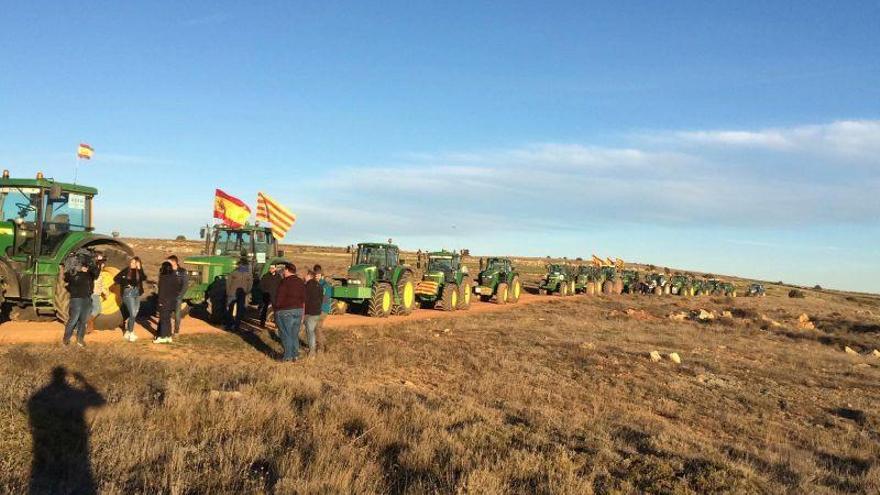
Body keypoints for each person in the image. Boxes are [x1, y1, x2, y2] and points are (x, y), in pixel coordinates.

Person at [273, 262, 305, 362]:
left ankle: (287, 357)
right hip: (298, 311)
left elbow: (279, 297)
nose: (283, 272)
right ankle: (295, 355)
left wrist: (276, 307)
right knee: (294, 334)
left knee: (286, 334)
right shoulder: (300, 282)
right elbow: (304, 297)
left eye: (284, 270)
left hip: (285, 311)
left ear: (287, 270)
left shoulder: (284, 282)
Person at [62, 262, 97, 347]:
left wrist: (97, 262)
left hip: (87, 299)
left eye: (87, 266)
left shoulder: (90, 275)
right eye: (83, 266)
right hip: (77, 299)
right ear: (79, 267)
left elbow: (96, 272)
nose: (85, 268)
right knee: (74, 319)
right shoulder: (74, 274)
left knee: (83, 321)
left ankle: (80, 340)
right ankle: (66, 339)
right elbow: (66, 278)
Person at [114, 257, 146, 342]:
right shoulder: (126, 270)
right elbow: (116, 279)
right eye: (131, 262)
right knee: (132, 313)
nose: (132, 264)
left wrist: (140, 269)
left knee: (135, 312)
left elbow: (144, 278)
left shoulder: (138, 272)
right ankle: (131, 333)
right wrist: (125, 283)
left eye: (134, 263)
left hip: (136, 293)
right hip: (128, 293)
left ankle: (128, 331)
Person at [155, 261, 182, 344]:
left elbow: (161, 291)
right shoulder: (175, 277)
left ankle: (162, 337)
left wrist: (160, 302)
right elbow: (178, 289)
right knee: (168, 320)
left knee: (163, 320)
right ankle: (168, 336)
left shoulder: (163, 278)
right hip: (172, 302)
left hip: (164, 302)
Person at [225, 259, 253, 331]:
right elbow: (250, 285)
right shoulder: (249, 274)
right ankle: (236, 327)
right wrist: (246, 291)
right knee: (239, 310)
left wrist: (228, 292)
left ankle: (228, 325)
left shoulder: (234, 273)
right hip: (242, 294)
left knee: (230, 310)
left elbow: (228, 283)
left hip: (232, 293)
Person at [303, 269, 325, 358]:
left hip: (309, 312)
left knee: (310, 332)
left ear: (310, 276)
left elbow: (304, 299)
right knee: (315, 331)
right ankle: (320, 349)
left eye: (306, 275)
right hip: (317, 312)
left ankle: (312, 352)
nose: (305, 276)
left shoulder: (307, 286)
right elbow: (321, 298)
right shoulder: (320, 286)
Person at [166, 255, 189, 335]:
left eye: (169, 262)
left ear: (174, 262)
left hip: (177, 296)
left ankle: (176, 331)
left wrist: (180, 295)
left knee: (177, 314)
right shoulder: (167, 271)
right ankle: (167, 330)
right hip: (168, 296)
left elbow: (185, 285)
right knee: (166, 314)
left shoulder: (182, 271)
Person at [86, 254, 106, 334]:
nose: (103, 264)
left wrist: (104, 291)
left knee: (92, 309)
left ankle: (90, 328)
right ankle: (87, 323)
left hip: (96, 292)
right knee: (98, 309)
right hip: (94, 293)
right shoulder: (95, 271)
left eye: (103, 262)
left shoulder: (98, 271)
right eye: (101, 262)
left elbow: (100, 284)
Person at [316, 264, 333, 351]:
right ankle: (326, 346)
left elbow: (325, 299)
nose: (317, 277)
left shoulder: (325, 285)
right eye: (315, 275)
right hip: (318, 309)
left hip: (323, 309)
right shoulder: (316, 284)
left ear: (322, 275)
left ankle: (320, 348)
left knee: (317, 327)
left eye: (318, 275)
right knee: (318, 328)